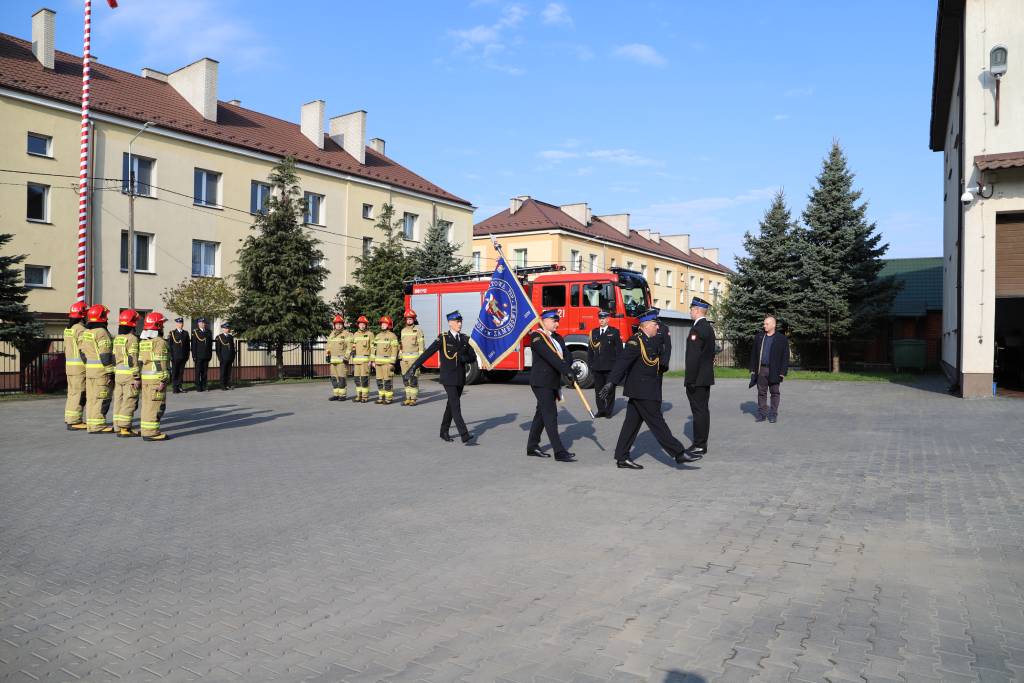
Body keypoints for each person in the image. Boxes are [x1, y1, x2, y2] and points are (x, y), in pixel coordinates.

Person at [600, 309, 701, 469]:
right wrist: (611, 383)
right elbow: (622, 363)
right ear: (646, 325)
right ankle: (679, 453)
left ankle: (621, 457)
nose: (657, 327)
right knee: (657, 422)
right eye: (655, 324)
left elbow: (659, 356)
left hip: (644, 389)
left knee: (630, 425)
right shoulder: (635, 342)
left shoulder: (651, 340)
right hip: (642, 391)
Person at [405, 310, 476, 444]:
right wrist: (413, 367)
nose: (460, 324)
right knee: (456, 405)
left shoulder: (464, 339)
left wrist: (464, 358)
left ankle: (444, 431)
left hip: (460, 378)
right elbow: (427, 353)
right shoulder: (443, 338)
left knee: (451, 405)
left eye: (460, 322)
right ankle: (464, 434)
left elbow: (472, 357)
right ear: (450, 323)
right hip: (448, 378)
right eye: (457, 322)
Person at [526, 310, 580, 462]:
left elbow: (567, 355)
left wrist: (568, 367)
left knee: (541, 414)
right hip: (541, 382)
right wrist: (566, 371)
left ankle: (532, 446)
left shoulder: (557, 338)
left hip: (552, 381)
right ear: (544, 321)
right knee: (550, 414)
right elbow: (551, 357)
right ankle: (559, 451)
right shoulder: (537, 337)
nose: (557, 324)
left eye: (558, 321)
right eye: (554, 321)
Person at [684, 297, 715, 457]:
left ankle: (699, 445)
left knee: (699, 411)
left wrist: (690, 380)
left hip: (697, 379)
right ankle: (701, 443)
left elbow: (693, 358)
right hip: (705, 377)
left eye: (691, 309)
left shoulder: (697, 329)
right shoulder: (708, 328)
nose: (690, 312)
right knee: (702, 410)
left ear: (697, 310)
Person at [80, 304, 115, 434]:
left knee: (91, 399)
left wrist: (89, 365)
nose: (107, 318)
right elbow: (105, 355)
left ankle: (91, 424)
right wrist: (110, 372)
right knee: (102, 398)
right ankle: (98, 425)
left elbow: (82, 353)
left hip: (90, 371)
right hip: (101, 372)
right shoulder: (101, 332)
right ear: (101, 317)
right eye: (106, 315)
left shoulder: (86, 332)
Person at [749, 315, 789, 423]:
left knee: (774, 392)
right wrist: (752, 369)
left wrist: (783, 372)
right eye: (764, 323)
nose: (764, 325)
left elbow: (785, 357)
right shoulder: (759, 337)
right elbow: (754, 354)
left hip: (775, 370)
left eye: (766, 324)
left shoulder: (781, 339)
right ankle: (762, 414)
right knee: (761, 392)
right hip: (761, 369)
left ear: (773, 325)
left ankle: (773, 414)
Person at [139, 311, 171, 441]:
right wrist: (163, 379)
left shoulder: (143, 342)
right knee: (156, 406)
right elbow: (160, 361)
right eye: (162, 324)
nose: (163, 326)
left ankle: (146, 430)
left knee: (147, 405)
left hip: (146, 379)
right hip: (156, 379)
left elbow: (141, 361)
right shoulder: (160, 342)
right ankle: (151, 433)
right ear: (157, 325)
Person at [112, 309, 141, 438]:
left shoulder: (117, 338)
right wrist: (137, 376)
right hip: (129, 374)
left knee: (118, 400)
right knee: (129, 400)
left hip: (118, 374)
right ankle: (125, 428)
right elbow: (132, 358)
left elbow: (113, 357)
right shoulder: (132, 339)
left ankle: (117, 426)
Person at [587, 310, 621, 418]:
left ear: (608, 319)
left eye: (603, 318)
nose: (601, 320)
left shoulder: (614, 332)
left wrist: (618, 367)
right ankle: (601, 410)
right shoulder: (594, 332)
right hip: (597, 367)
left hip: (610, 367)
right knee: (598, 390)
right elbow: (590, 351)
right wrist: (590, 365)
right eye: (600, 318)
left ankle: (608, 411)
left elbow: (619, 351)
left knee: (610, 390)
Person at [63, 301, 89, 431]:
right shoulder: (81, 330)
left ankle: (70, 418)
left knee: (72, 394)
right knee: (79, 394)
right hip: (80, 368)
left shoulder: (68, 329)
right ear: (82, 315)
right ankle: (75, 421)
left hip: (70, 368)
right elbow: (84, 351)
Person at [399, 309, 425, 406]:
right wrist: (400, 356)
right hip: (404, 360)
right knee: (405, 379)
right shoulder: (403, 331)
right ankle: (408, 398)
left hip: (414, 359)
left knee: (413, 379)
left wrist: (420, 359)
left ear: (414, 319)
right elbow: (401, 345)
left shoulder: (418, 330)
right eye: (407, 319)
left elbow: (421, 345)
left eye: (410, 319)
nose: (409, 320)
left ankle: (413, 399)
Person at [373, 316, 399, 404]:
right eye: (382, 324)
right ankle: (381, 397)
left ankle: (388, 398)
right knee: (379, 381)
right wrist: (373, 361)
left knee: (387, 381)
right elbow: (373, 349)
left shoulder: (392, 336)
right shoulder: (378, 336)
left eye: (385, 324)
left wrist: (392, 362)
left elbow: (395, 350)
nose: (383, 325)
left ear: (389, 325)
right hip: (378, 363)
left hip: (388, 363)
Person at [325, 315, 351, 401]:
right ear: (334, 325)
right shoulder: (331, 334)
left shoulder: (346, 334)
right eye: (337, 324)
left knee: (341, 378)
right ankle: (336, 394)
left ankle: (342, 395)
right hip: (333, 361)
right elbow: (328, 346)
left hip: (342, 361)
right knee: (334, 378)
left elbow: (349, 347)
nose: (338, 326)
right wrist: (327, 355)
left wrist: (346, 357)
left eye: (340, 324)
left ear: (342, 325)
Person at [350, 315, 374, 403]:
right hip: (356, 362)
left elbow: (373, 348)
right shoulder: (355, 334)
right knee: (357, 379)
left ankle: (364, 396)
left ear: (366, 325)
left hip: (365, 362)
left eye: (364, 324)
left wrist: (371, 360)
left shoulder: (370, 334)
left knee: (364, 379)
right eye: (361, 324)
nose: (362, 326)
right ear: (358, 325)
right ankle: (358, 396)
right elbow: (352, 346)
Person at [168, 317, 190, 393]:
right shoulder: (172, 333)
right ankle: (175, 388)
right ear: (176, 324)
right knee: (175, 372)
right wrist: (171, 356)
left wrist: (187, 355)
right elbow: (170, 345)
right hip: (175, 356)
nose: (181, 324)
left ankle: (180, 387)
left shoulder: (185, 333)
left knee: (181, 372)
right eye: (179, 323)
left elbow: (187, 346)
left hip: (183, 356)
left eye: (182, 323)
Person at [190, 317, 213, 392]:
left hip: (206, 355)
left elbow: (210, 345)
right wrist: (194, 355)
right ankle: (198, 386)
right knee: (198, 371)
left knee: (205, 372)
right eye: (201, 323)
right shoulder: (195, 332)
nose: (203, 324)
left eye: (204, 323)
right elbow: (193, 345)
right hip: (198, 355)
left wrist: (210, 354)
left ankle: (204, 385)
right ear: (198, 324)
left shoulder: (208, 332)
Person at [215, 323, 237, 390]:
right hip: (223, 357)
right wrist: (220, 358)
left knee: (228, 372)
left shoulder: (230, 337)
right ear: (223, 329)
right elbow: (218, 349)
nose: (227, 329)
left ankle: (228, 384)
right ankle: (223, 385)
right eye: (226, 328)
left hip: (230, 357)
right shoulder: (219, 337)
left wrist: (233, 356)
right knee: (223, 372)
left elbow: (232, 348)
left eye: (228, 328)